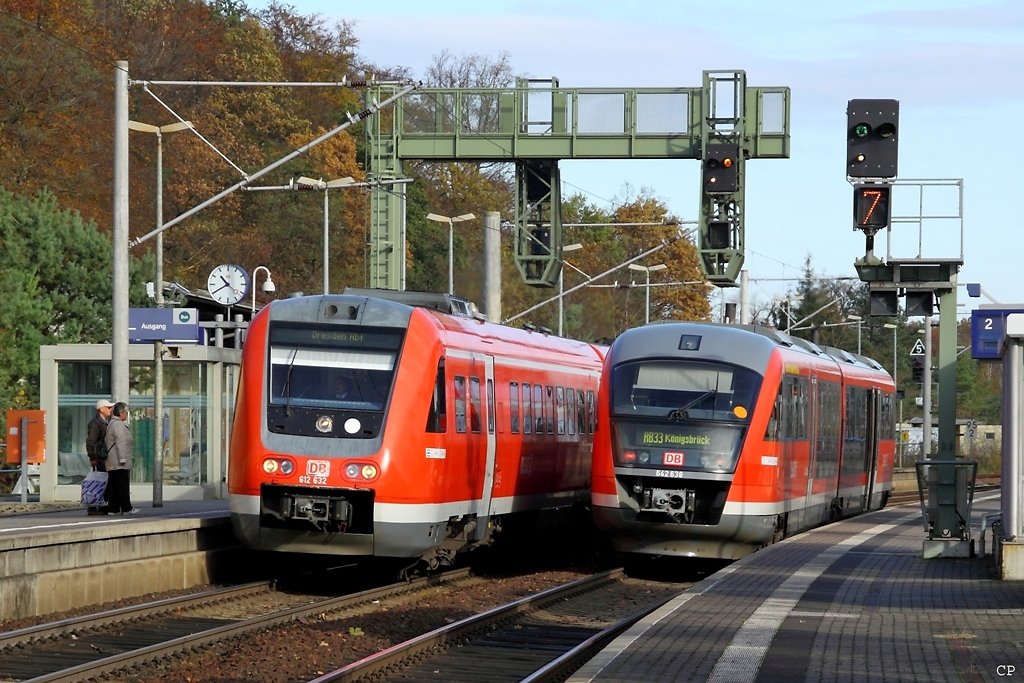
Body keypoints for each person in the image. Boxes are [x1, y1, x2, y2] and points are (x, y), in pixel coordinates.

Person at [104, 402, 139, 514]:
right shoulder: (118, 424)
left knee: (115, 486)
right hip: (119, 461)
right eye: (126, 412)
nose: (127, 415)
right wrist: (122, 458)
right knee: (122, 485)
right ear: (121, 413)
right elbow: (121, 441)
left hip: (112, 461)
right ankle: (126, 508)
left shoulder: (111, 423)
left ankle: (113, 508)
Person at [85, 399, 113, 515]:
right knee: (99, 481)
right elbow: (91, 442)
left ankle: (101, 505)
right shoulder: (95, 423)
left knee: (103, 481)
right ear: (101, 409)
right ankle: (94, 506)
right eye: (108, 407)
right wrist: (93, 457)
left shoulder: (104, 422)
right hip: (99, 457)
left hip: (103, 456)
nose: (110, 410)